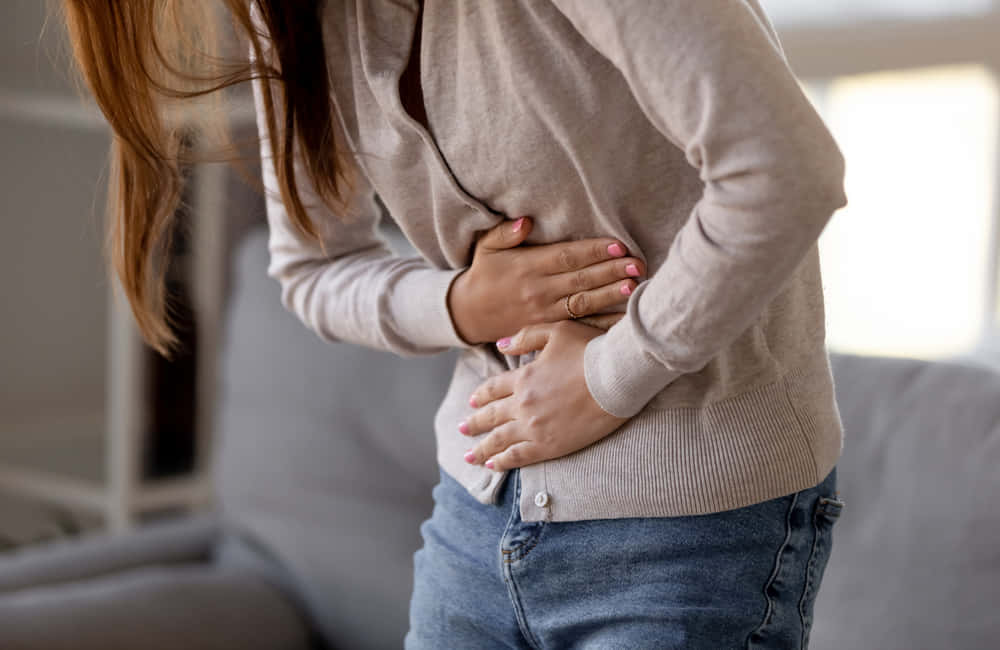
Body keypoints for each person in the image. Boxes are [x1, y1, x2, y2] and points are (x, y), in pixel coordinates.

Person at [62, 0, 848, 647]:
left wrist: (613, 376)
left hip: (692, 532)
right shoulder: (291, 15)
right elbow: (310, 268)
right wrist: (466, 304)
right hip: (475, 520)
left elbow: (785, 170)